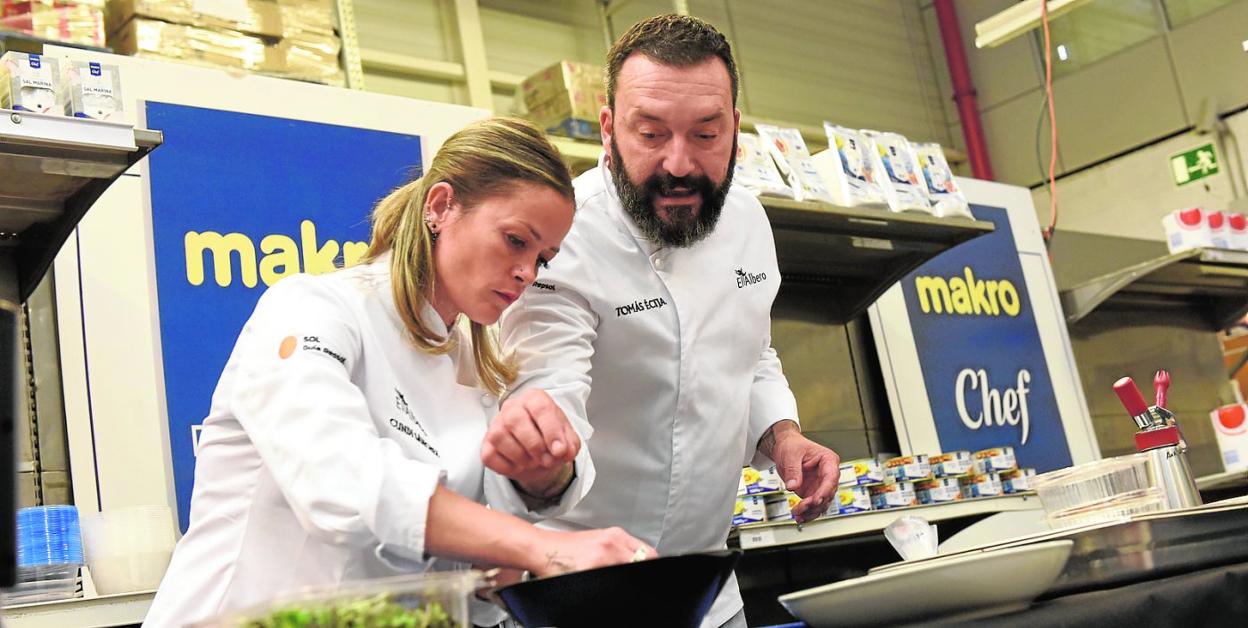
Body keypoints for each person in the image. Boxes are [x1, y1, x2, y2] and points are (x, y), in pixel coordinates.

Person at [144, 117, 655, 628]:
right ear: (441, 206)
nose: (527, 273)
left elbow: (457, 555)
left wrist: (535, 493)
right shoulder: (311, 308)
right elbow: (342, 479)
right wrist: (543, 548)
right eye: (515, 240)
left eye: (543, 259)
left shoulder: (476, 370)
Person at [496, 15, 841, 628]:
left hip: (708, 591)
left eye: (706, 135)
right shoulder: (567, 237)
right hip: (576, 587)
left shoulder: (747, 221)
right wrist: (543, 454)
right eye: (651, 134)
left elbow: (750, 351)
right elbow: (550, 389)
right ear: (609, 129)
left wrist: (782, 435)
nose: (679, 164)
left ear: (734, 128)